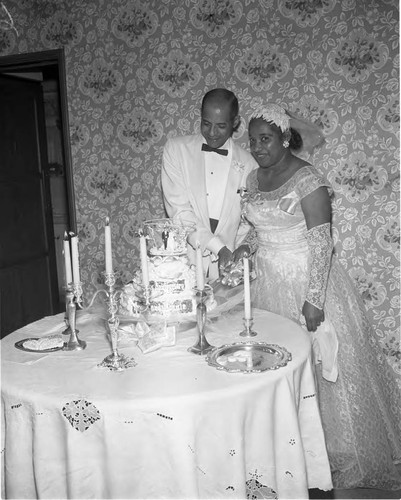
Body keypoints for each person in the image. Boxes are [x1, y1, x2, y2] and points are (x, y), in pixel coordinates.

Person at [241, 103, 401, 490]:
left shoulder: (308, 179)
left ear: (284, 137)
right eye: (253, 140)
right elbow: (256, 230)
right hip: (267, 284)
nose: (259, 147)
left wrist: (315, 298)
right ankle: (289, 448)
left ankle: (328, 453)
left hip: (308, 282)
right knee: (276, 371)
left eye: (266, 139)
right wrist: (244, 250)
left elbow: (322, 243)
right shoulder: (251, 178)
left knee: (323, 372)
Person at [161, 88, 258, 279]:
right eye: (206, 124)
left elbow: (248, 221)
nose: (212, 133)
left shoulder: (250, 164)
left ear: (235, 122)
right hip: (184, 261)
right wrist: (217, 247)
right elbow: (179, 211)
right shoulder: (176, 150)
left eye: (221, 126)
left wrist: (236, 253)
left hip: (229, 267)